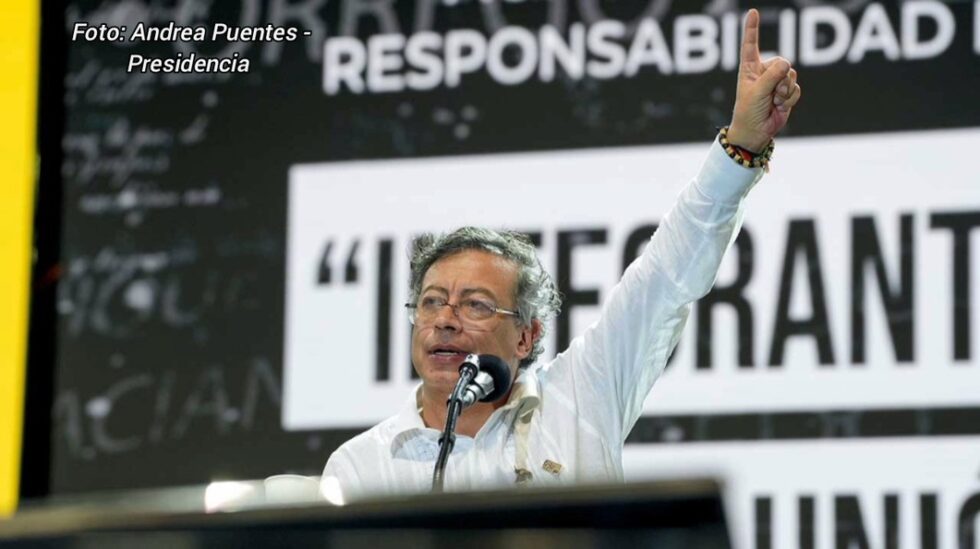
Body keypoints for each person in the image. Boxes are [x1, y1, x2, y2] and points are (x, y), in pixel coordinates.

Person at [321, 8, 801, 500]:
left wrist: (741, 146)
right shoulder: (360, 467)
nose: (444, 321)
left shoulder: (580, 398)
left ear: (526, 335)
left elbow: (664, 278)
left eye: (475, 305)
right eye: (431, 302)